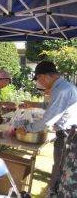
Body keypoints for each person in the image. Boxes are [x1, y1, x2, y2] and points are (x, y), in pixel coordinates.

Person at [15, 61, 77, 198]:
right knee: (62, 169)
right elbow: (49, 105)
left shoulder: (61, 90)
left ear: (43, 77)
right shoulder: (63, 86)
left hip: (67, 136)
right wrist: (33, 103)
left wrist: (26, 128)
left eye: (38, 80)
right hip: (69, 134)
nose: (40, 84)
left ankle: (54, 193)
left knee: (61, 169)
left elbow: (47, 120)